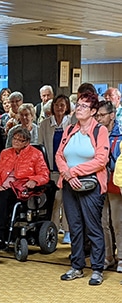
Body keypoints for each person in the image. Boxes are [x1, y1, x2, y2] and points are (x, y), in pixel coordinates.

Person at [55, 91, 109, 286]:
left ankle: (97, 269)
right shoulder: (69, 129)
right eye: (78, 105)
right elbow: (59, 155)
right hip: (69, 184)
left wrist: (75, 171)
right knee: (75, 227)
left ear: (93, 111)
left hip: (91, 185)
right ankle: (77, 266)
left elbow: (101, 160)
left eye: (84, 106)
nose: (79, 108)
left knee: (93, 228)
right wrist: (67, 174)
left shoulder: (99, 131)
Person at [38, 94, 72, 243]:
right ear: (53, 106)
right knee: (54, 200)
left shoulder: (71, 123)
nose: (59, 108)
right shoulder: (45, 124)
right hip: (51, 169)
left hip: (68, 170)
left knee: (67, 201)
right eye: (57, 104)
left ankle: (67, 231)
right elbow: (40, 147)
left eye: (63, 105)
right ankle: (52, 228)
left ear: (67, 107)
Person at [95, 101, 122, 271]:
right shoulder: (96, 133)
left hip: (115, 180)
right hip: (99, 180)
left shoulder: (120, 135)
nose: (99, 118)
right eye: (97, 115)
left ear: (112, 115)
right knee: (102, 221)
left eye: (102, 115)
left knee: (118, 221)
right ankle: (108, 255)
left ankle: (121, 257)